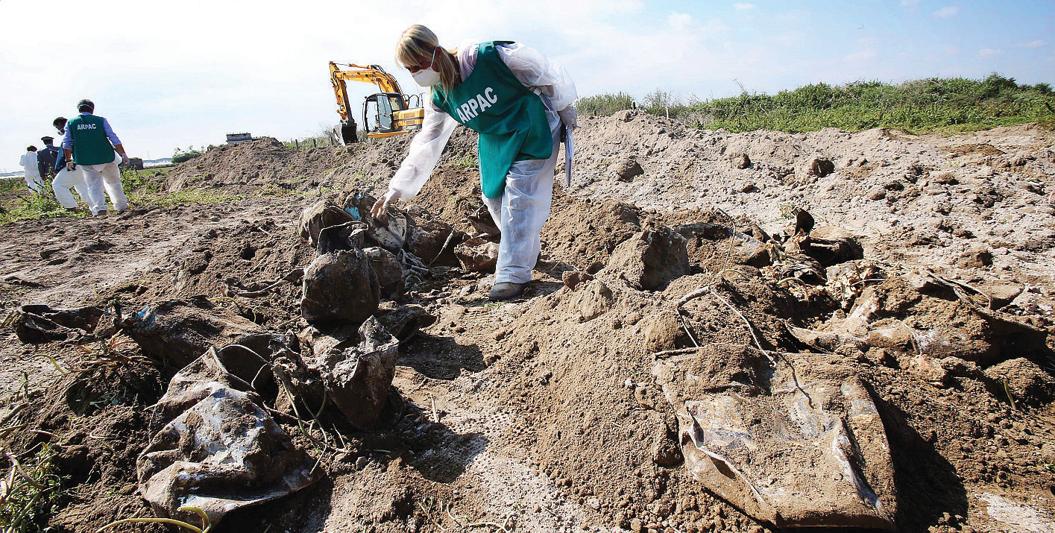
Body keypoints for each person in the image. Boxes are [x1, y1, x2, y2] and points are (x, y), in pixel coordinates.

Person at [370, 25, 578, 301]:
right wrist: (397, 188)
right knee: (493, 198)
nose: (417, 73)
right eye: (409, 69)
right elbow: (427, 142)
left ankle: (513, 275)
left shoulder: (488, 58)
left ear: (434, 51)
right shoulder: (439, 95)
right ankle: (526, 250)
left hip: (529, 125)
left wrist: (564, 106)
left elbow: (540, 71)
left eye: (418, 64)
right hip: (495, 139)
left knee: (521, 198)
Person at [62, 99, 130, 215]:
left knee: (93, 185)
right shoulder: (100, 121)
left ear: (79, 109)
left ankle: (100, 209)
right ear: (92, 109)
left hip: (85, 160)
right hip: (106, 157)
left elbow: (66, 143)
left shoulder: (71, 123)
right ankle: (121, 206)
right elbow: (113, 138)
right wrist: (123, 154)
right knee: (113, 182)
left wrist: (68, 160)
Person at [50, 117, 91, 210]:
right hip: (83, 164)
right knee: (82, 186)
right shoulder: (79, 133)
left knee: (58, 185)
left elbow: (68, 149)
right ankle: (95, 207)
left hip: (73, 164)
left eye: (58, 127)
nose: (59, 130)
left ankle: (71, 207)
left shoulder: (69, 135)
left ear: (61, 125)